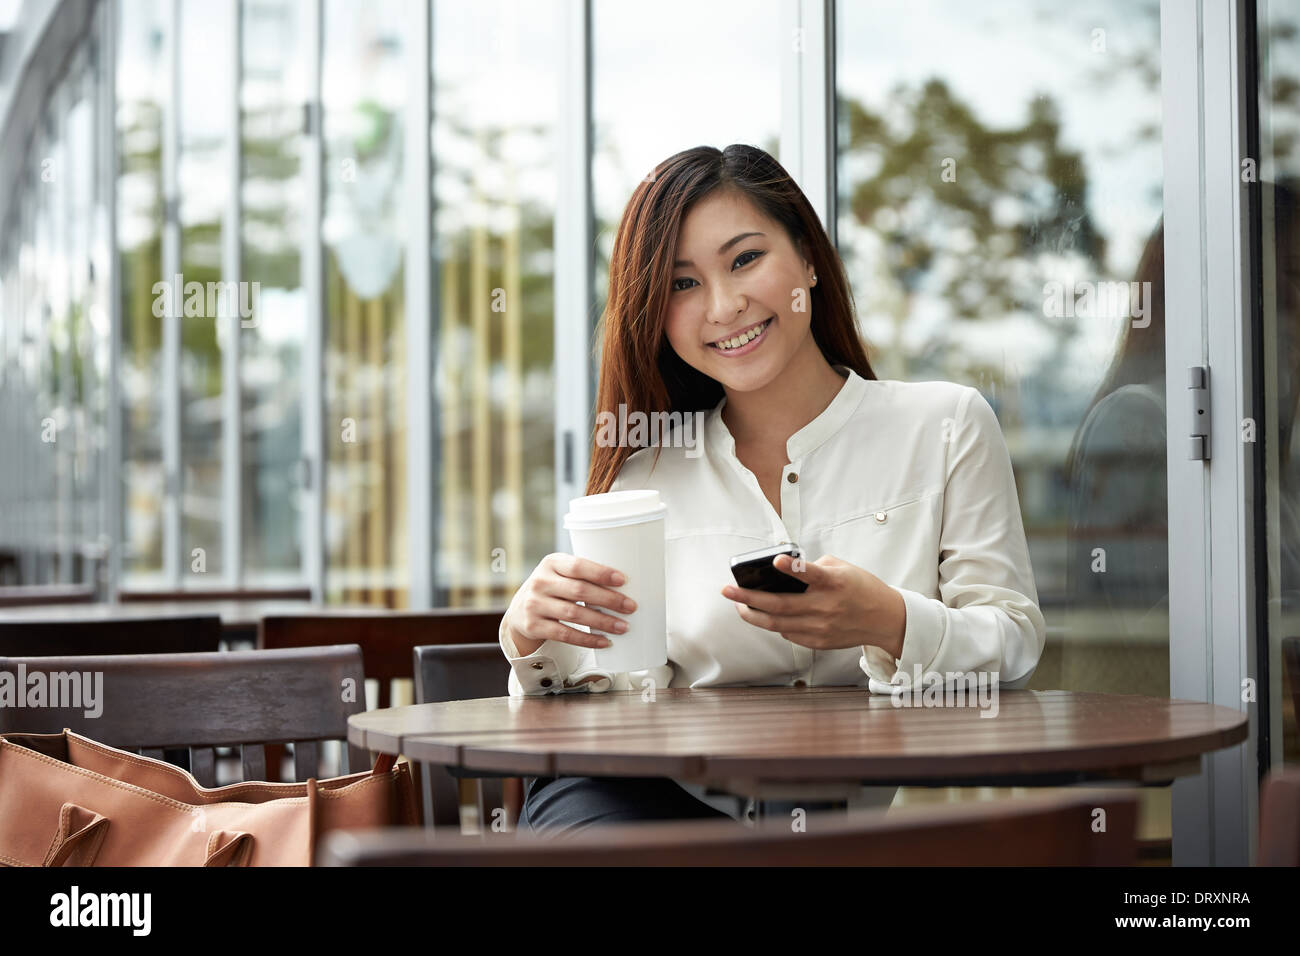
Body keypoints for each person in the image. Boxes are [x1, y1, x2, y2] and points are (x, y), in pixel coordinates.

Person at [499, 143, 1046, 834]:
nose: (725, 306)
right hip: (640, 807)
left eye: (745, 259)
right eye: (682, 284)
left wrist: (888, 620)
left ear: (809, 260)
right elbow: (600, 691)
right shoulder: (645, 474)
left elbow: (1013, 642)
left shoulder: (946, 426)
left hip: (838, 832)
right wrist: (530, 641)